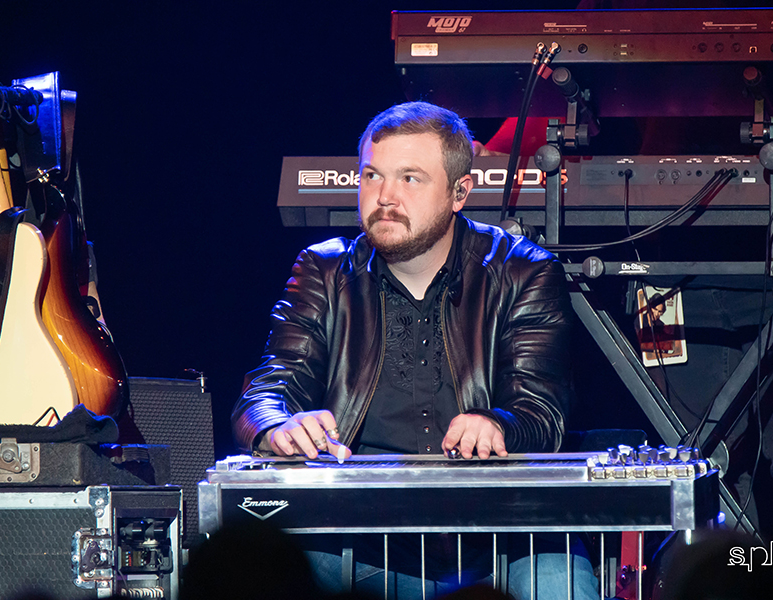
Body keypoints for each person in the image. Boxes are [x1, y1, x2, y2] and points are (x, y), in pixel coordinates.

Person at [231, 101, 597, 599]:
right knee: (268, 569)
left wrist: (497, 425)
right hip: (363, 541)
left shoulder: (523, 272)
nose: (385, 197)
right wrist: (277, 426)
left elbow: (542, 411)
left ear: (459, 192)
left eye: (410, 179)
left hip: (502, 538)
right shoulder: (324, 271)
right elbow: (267, 390)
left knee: (557, 584)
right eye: (372, 176)